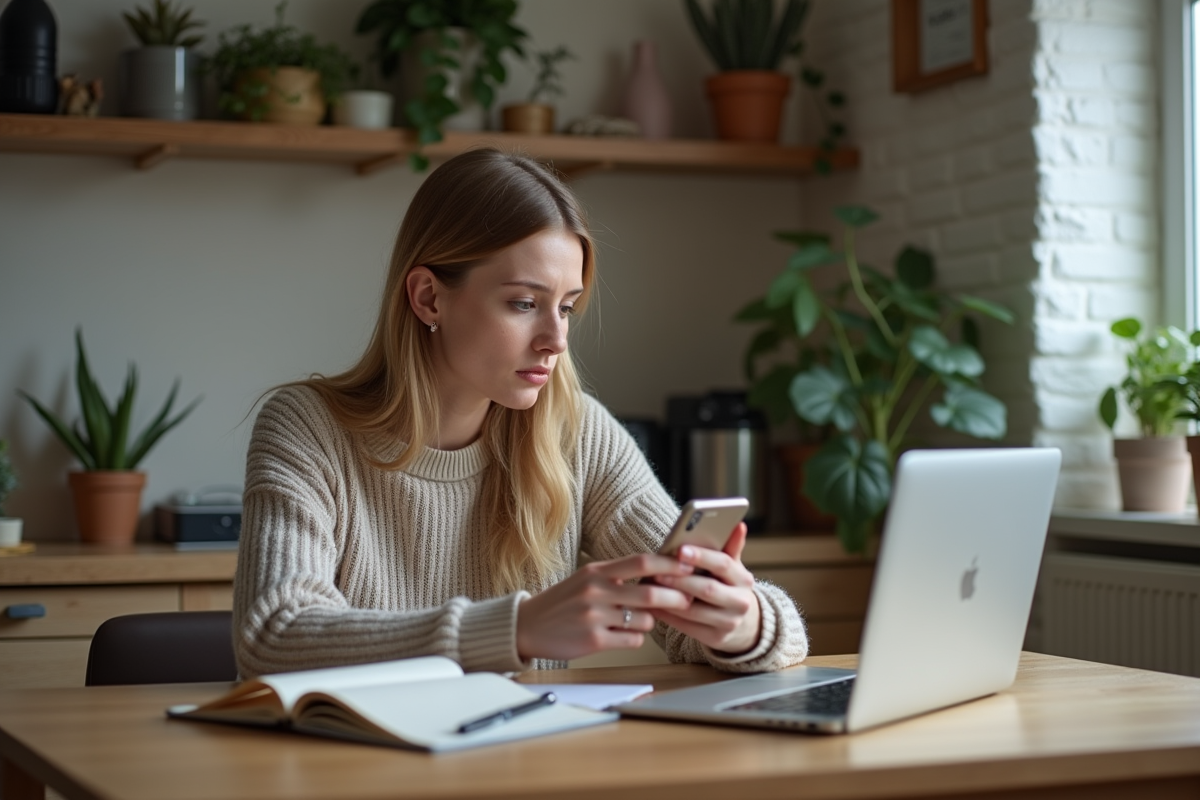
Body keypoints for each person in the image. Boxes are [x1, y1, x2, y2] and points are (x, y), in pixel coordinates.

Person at [233, 148, 809, 678]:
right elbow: (274, 633)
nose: (555, 340)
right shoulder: (307, 427)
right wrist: (518, 628)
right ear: (429, 297)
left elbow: (711, 623)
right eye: (524, 304)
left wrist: (742, 624)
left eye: (566, 307)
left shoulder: (577, 432)